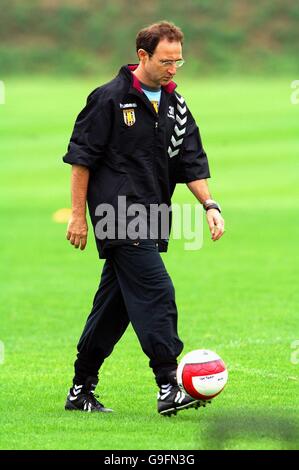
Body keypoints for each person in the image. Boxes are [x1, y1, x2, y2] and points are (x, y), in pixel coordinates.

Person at [62, 21, 225, 416]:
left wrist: (210, 205)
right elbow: (81, 161)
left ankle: (80, 388)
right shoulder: (108, 99)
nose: (173, 68)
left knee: (113, 307)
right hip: (118, 216)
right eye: (166, 61)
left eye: (179, 61)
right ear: (143, 56)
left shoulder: (176, 105)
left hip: (154, 216)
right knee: (156, 291)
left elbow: (191, 161)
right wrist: (78, 217)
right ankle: (169, 385)